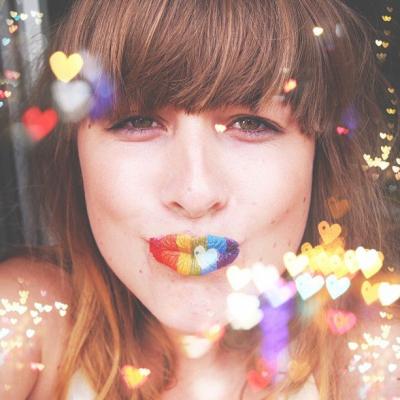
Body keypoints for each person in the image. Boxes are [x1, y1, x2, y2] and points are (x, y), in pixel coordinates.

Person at [0, 0, 399, 399]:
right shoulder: (23, 317)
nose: (195, 194)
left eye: (251, 124)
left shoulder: (379, 355)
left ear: (319, 158)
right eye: (137, 122)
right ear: (75, 154)